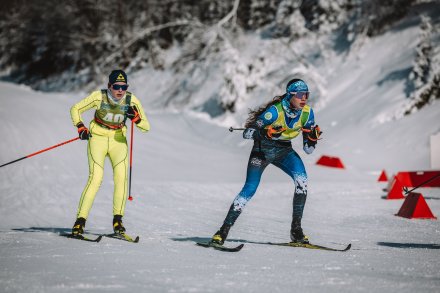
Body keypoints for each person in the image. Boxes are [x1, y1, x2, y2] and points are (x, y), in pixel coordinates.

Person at [211, 78, 322, 245]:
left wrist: (312, 139)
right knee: (250, 188)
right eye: (300, 94)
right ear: (290, 95)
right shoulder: (274, 112)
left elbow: (308, 150)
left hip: (284, 151)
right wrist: (265, 133)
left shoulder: (307, 113)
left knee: (302, 181)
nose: (304, 98)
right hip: (262, 151)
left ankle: (296, 230)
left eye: (306, 94)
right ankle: (222, 231)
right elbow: (247, 133)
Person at [70, 70, 150, 236]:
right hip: (97, 138)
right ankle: (80, 221)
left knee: (121, 178)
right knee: (96, 178)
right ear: (109, 86)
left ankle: (117, 221)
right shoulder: (99, 96)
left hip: (118, 141)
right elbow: (75, 109)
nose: (120, 90)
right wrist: (80, 127)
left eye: (124, 86)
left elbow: (146, 127)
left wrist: (136, 119)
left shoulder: (131, 100)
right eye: (116, 86)